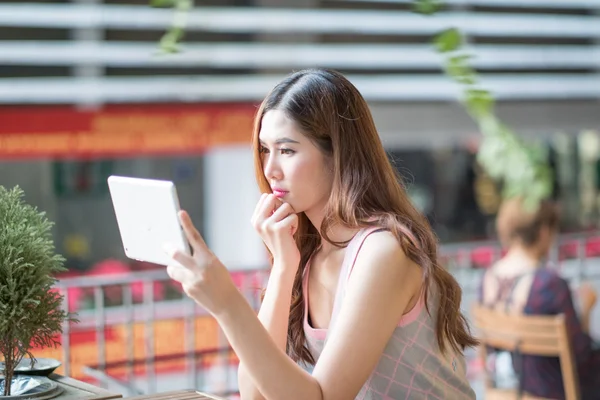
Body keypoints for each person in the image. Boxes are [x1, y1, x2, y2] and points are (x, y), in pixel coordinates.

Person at [166, 68, 477, 399]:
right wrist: (284, 268)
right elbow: (254, 392)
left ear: (337, 156)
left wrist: (228, 303)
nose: (270, 169)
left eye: (286, 150)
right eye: (264, 150)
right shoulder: (308, 253)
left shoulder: (384, 250)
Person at [479, 197, 600, 399]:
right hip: (550, 392)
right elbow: (580, 354)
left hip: (505, 390)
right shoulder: (549, 284)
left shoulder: (488, 279)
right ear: (544, 231)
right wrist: (586, 311)